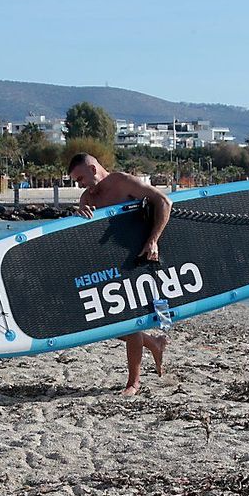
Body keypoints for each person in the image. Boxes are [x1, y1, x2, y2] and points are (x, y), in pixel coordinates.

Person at [69, 152, 172, 396]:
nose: (80, 185)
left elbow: (164, 203)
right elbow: (88, 239)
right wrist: (78, 219)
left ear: (94, 169)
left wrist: (154, 240)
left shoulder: (123, 182)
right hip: (109, 267)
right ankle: (154, 343)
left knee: (129, 319)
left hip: (139, 258)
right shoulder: (86, 198)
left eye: (81, 178)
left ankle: (133, 383)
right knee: (108, 325)